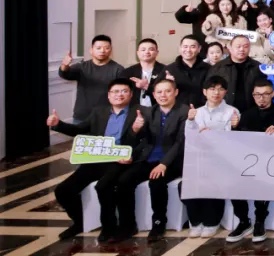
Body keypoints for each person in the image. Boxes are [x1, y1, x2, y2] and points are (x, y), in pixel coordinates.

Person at [47, 79, 141, 242]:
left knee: (103, 186)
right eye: (115, 91)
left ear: (131, 94)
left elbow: (146, 141)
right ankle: (80, 222)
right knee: (63, 190)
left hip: (121, 160)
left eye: (124, 91)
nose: (119, 95)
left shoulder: (139, 113)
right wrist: (58, 124)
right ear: (109, 95)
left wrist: (133, 152)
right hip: (97, 158)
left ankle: (109, 227)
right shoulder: (99, 112)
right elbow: (80, 129)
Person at [114, 78, 186, 242]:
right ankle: (127, 225)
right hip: (149, 158)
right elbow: (142, 140)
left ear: (175, 92)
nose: (163, 95)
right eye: (159, 92)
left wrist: (164, 164)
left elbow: (180, 142)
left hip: (173, 160)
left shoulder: (183, 112)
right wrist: (135, 129)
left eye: (167, 91)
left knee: (157, 182)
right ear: (153, 94)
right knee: (124, 180)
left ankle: (159, 223)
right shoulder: (149, 112)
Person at [226, 79, 274, 243]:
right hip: (248, 162)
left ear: (273, 94)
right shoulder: (247, 114)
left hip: (273, 162)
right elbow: (238, 140)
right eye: (257, 95)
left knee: (263, 181)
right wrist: (234, 127)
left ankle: (259, 221)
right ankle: (243, 221)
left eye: (265, 94)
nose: (261, 98)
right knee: (232, 182)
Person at [183, 75, 239, 238]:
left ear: (226, 92)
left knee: (213, 182)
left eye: (220, 89)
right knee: (186, 185)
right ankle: (196, 222)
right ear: (204, 91)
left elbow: (232, 139)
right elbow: (189, 136)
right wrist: (190, 120)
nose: (216, 93)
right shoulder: (197, 112)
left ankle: (212, 222)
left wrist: (213, 134)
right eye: (212, 89)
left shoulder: (232, 111)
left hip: (223, 159)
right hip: (199, 158)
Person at [58, 34, 126, 124]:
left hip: (107, 116)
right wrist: (64, 65)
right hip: (82, 116)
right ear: (91, 50)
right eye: (98, 48)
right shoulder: (82, 67)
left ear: (111, 50)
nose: (102, 51)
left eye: (106, 48)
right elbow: (65, 74)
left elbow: (123, 93)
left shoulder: (118, 69)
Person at [208, 35, 262, 115]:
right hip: (223, 113)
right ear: (230, 48)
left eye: (245, 46)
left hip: (252, 113)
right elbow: (208, 91)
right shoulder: (218, 68)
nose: (242, 49)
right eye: (238, 46)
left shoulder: (258, 67)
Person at [121, 38, 167, 107]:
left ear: (157, 52)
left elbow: (168, 93)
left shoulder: (165, 70)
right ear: (137, 53)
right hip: (134, 110)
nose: (147, 52)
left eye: (151, 49)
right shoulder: (128, 72)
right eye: (143, 50)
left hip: (159, 109)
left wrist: (147, 86)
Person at [165, 36, 209, 108]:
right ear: (180, 48)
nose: (188, 50)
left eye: (192, 47)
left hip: (203, 110)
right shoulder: (169, 69)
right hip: (177, 110)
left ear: (199, 49)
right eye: (185, 47)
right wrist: (167, 84)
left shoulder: (208, 69)